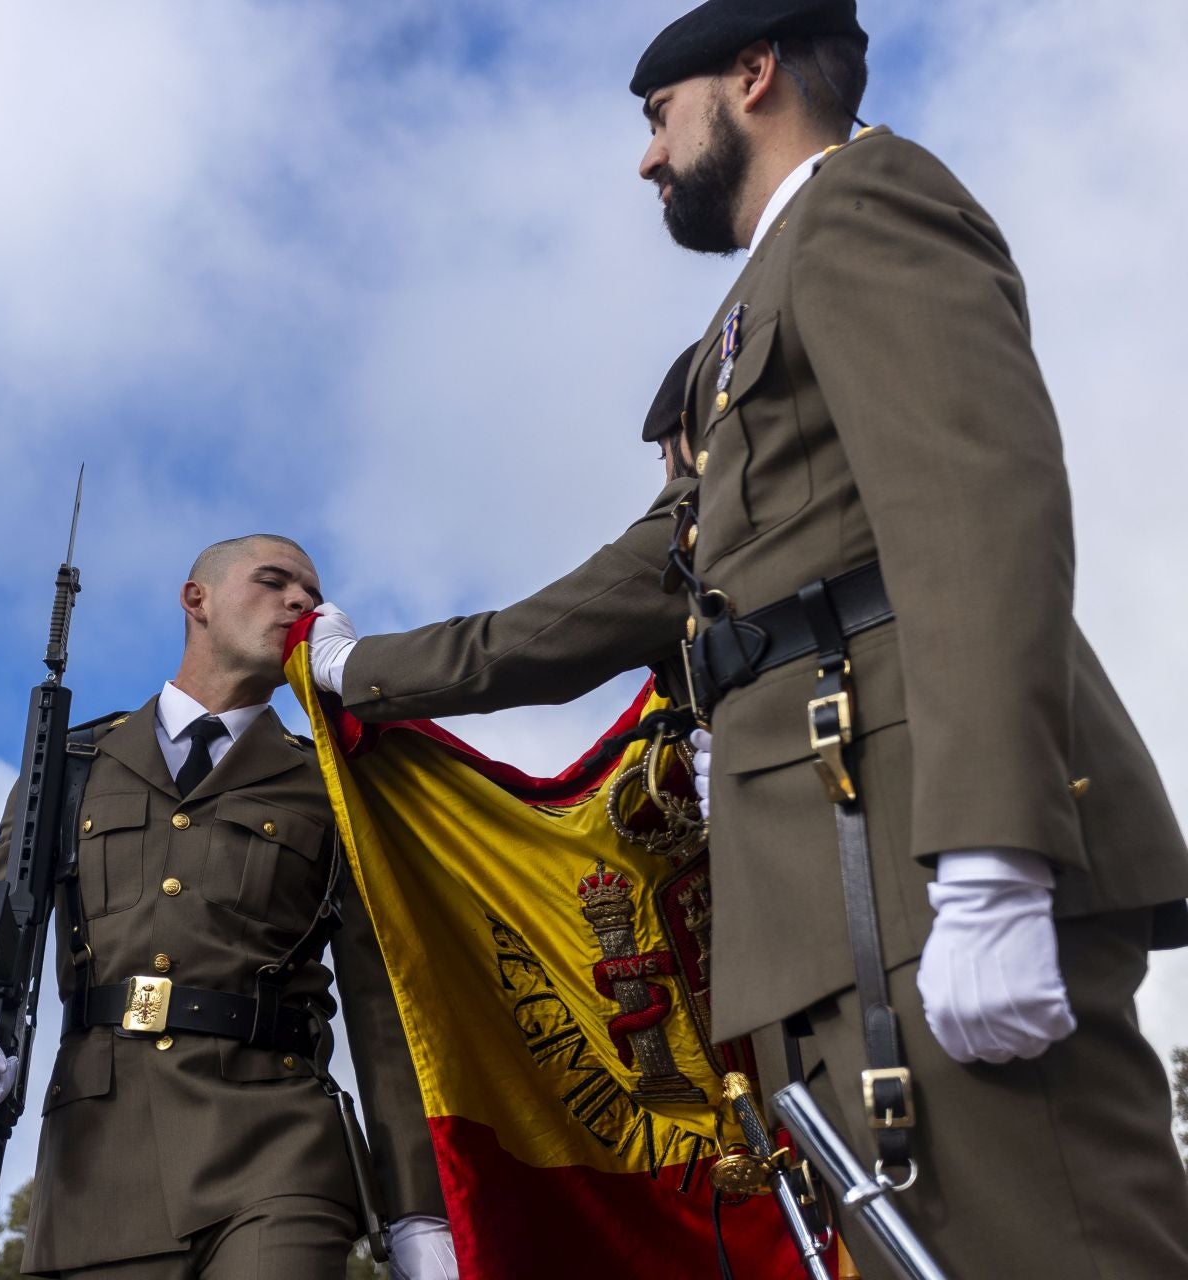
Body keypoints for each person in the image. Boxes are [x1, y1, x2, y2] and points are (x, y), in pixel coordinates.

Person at [308, 2, 1188, 1274]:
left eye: (659, 117)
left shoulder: (863, 205)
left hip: (911, 855)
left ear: (754, 74)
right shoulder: (755, 303)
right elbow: (662, 587)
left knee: (1050, 1242)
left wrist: (992, 853)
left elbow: (975, 503)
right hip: (832, 883)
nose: (648, 157)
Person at [0, 535, 454, 1280]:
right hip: (97, 1158)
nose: (303, 602)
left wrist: (418, 1207)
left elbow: (382, 1004)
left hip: (280, 1143)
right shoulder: (74, 764)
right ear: (195, 599)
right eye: (275, 582)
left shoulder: (330, 784)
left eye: (313, 593)